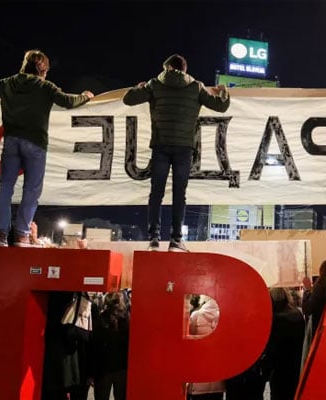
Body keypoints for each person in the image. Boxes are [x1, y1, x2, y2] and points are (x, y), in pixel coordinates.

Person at [0, 50, 94, 247]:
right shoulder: (45, 86)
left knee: (5, 188)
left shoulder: (7, 83)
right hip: (36, 144)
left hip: (11, 142)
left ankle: (0, 236)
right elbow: (68, 102)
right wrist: (85, 96)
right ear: (44, 70)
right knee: (31, 190)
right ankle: (21, 235)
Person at [123, 54, 230, 252]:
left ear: (167, 68)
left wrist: (139, 88)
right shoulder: (196, 87)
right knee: (179, 195)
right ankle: (176, 241)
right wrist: (224, 92)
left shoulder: (154, 85)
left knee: (156, 194)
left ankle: (154, 240)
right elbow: (221, 106)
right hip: (183, 148)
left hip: (160, 145)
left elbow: (128, 99)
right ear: (184, 69)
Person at [89, 292, 130, 400]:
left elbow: (94, 347)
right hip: (122, 367)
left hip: (103, 369)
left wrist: (91, 372)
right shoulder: (127, 320)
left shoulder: (101, 319)